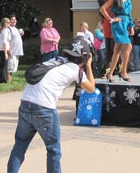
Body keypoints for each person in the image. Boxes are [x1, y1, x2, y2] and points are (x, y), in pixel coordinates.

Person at [7, 37, 95, 173]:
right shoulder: (74, 69)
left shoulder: (54, 60)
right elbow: (91, 88)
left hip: (25, 102)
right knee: (53, 150)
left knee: (19, 146)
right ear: (83, 58)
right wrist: (88, 65)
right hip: (44, 108)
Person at [100, 0, 134, 82]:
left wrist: (131, 26)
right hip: (118, 24)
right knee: (128, 46)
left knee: (117, 49)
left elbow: (129, 15)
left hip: (125, 24)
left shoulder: (128, 0)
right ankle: (123, 71)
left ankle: (110, 73)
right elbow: (102, 9)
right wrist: (111, 19)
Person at [101, 0, 118, 78]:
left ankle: (117, 70)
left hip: (116, 23)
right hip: (107, 24)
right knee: (108, 50)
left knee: (116, 48)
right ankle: (108, 71)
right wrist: (103, 20)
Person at [0, 17, 11, 83]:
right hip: (3, 50)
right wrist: (5, 53)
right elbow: (4, 42)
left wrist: (9, 49)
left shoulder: (6, 30)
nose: (9, 23)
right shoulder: (4, 31)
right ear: (5, 23)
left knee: (4, 65)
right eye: (8, 22)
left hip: (5, 49)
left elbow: (8, 41)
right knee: (4, 65)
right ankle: (2, 79)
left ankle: (2, 79)